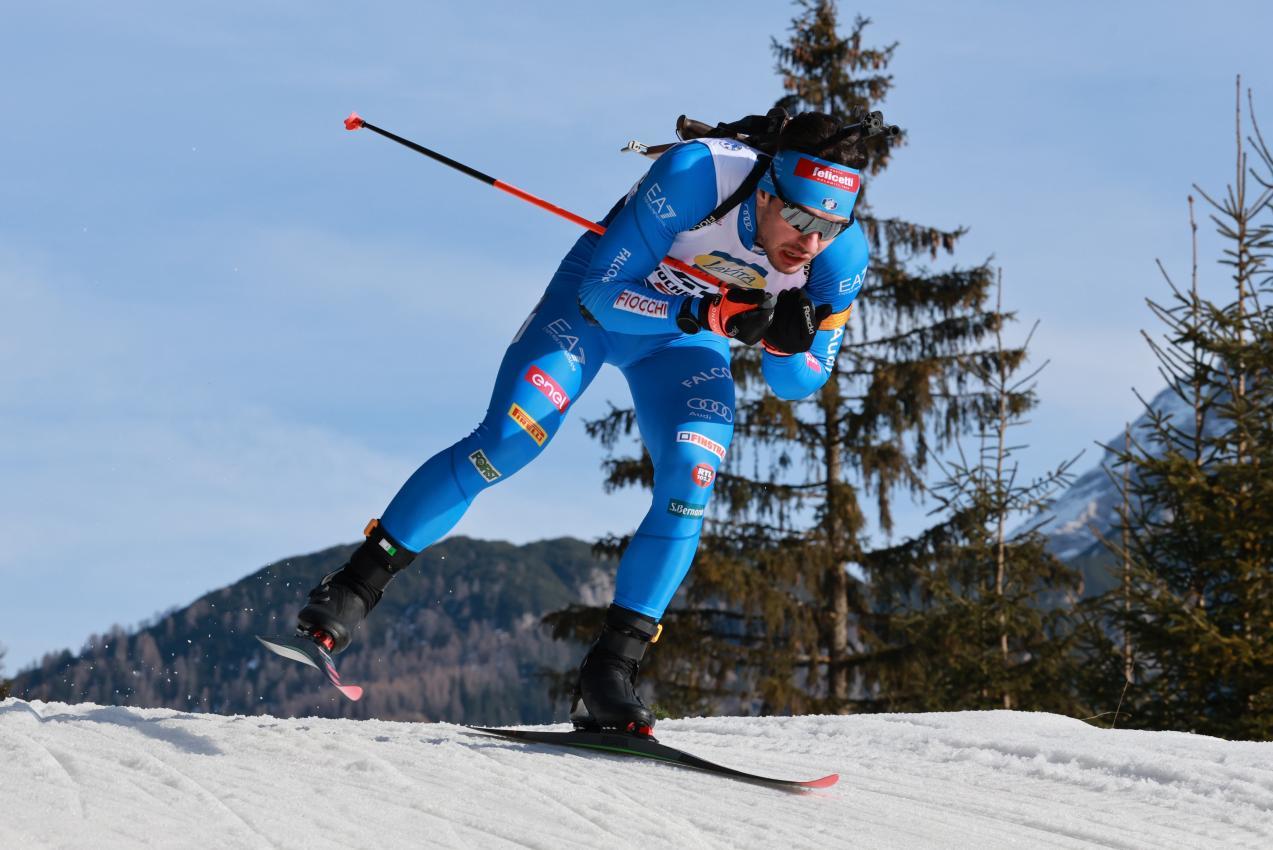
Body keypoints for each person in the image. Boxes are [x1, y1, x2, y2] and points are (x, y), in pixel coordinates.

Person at [294, 110, 872, 736]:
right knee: (507, 444)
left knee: (691, 482)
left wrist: (789, 341)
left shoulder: (839, 258)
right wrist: (705, 313)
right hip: (600, 312)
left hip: (682, 346)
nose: (811, 241)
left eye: (830, 224)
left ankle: (609, 673)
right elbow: (602, 294)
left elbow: (798, 385)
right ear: (766, 192)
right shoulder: (699, 176)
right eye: (802, 218)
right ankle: (353, 586)